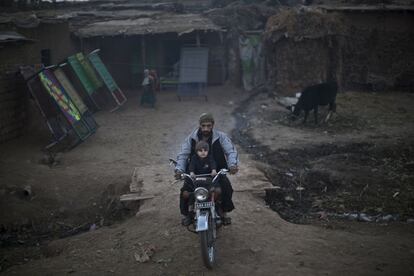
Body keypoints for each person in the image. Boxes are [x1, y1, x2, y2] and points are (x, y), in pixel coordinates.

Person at [175, 113, 239, 226]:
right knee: (185, 192)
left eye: (208, 125)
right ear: (199, 125)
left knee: (227, 188)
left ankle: (223, 213)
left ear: (213, 125)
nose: (206, 128)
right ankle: (188, 214)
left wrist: (232, 165)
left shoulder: (221, 137)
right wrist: (179, 169)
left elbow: (230, 151)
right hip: (195, 172)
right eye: (203, 125)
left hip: (216, 170)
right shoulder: (191, 138)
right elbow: (183, 154)